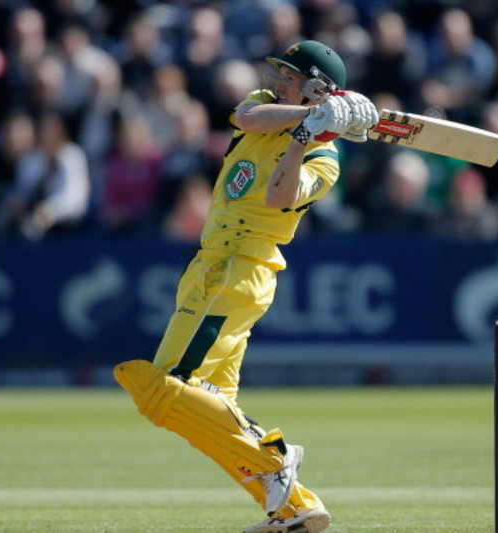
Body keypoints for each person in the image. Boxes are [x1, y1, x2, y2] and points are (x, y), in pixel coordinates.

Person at [112, 40, 377, 533]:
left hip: (237, 269)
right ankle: (294, 507)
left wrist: (307, 136)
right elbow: (251, 121)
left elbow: (279, 198)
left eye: (290, 77)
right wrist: (312, 113)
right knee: (212, 410)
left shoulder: (327, 159)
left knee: (162, 392)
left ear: (317, 88)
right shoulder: (260, 103)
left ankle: (275, 459)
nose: (277, 80)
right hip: (212, 264)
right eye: (277, 72)